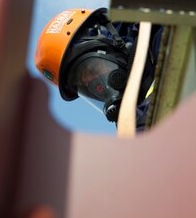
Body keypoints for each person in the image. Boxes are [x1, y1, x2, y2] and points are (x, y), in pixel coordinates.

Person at [35, 8, 163, 131]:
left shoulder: (159, 34)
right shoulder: (132, 118)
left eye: (90, 70)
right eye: (85, 87)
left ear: (107, 40)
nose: (95, 85)